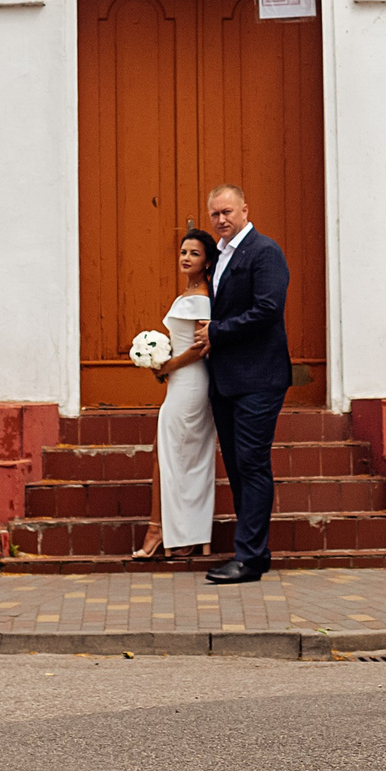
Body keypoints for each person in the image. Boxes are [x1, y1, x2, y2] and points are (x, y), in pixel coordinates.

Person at [201, 183, 290, 584]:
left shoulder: (264, 251)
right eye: (215, 214)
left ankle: (248, 558)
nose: (221, 219)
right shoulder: (219, 257)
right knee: (238, 466)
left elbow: (269, 310)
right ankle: (256, 553)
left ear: (245, 210)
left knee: (252, 464)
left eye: (227, 212)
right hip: (226, 381)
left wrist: (217, 332)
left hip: (259, 377)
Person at [133, 230, 217, 562]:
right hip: (181, 382)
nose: (186, 257)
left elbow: (201, 345)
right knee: (173, 457)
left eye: (194, 254)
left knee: (177, 458)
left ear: (207, 261)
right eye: (183, 251)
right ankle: (177, 532)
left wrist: (167, 365)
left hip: (190, 383)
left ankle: (164, 531)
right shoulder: (190, 293)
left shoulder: (201, 297)